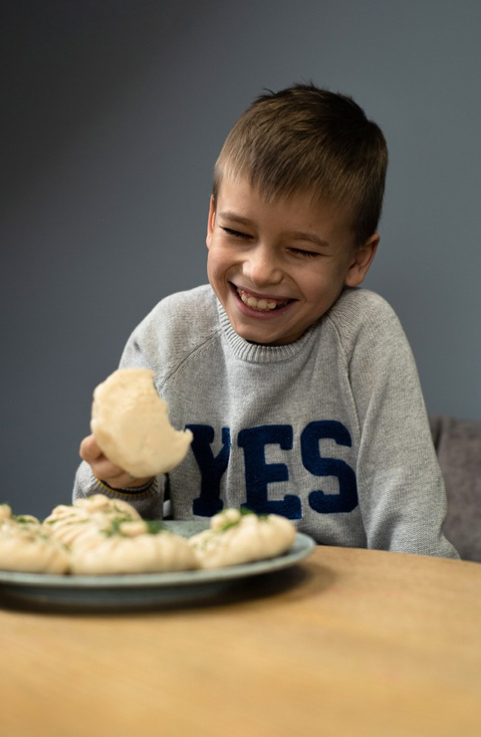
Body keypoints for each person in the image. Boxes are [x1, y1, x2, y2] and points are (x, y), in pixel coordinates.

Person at [74, 83, 458, 558]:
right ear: (211, 221)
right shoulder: (168, 337)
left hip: (343, 597)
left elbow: (412, 530)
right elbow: (104, 538)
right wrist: (124, 486)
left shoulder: (365, 336)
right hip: (203, 594)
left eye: (301, 250)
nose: (259, 271)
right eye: (237, 232)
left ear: (358, 259)